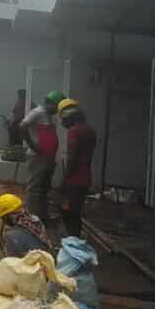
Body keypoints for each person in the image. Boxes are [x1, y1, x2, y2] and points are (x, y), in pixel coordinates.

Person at [0, 193, 52, 285]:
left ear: (8, 216)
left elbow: (12, 264)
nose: (3, 220)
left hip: (32, 276)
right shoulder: (34, 220)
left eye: (3, 217)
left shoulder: (12, 235)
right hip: (47, 267)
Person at [19, 90, 64, 222]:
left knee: (44, 188)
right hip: (37, 157)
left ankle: (43, 217)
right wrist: (33, 146)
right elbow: (22, 126)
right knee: (35, 188)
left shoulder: (48, 115)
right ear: (51, 104)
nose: (57, 111)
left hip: (48, 157)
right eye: (57, 107)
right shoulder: (37, 112)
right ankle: (32, 219)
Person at [57, 98, 97, 238]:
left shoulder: (74, 131)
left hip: (75, 179)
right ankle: (75, 238)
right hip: (85, 178)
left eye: (64, 121)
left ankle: (72, 240)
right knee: (76, 212)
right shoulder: (90, 130)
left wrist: (64, 179)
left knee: (68, 211)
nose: (63, 125)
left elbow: (73, 158)